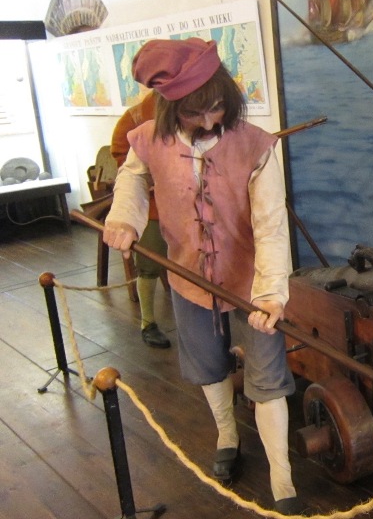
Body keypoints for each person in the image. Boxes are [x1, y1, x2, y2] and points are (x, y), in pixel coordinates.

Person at [103, 38, 303, 513]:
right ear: (172, 106)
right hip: (188, 280)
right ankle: (227, 436)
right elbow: (132, 179)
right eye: (196, 113)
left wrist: (271, 295)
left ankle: (282, 478)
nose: (211, 122)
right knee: (208, 367)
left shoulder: (256, 146)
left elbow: (272, 224)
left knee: (267, 378)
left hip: (252, 285)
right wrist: (125, 218)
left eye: (217, 107)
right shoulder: (148, 139)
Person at [110, 91, 171, 349]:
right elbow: (121, 153)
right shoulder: (136, 116)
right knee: (149, 259)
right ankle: (148, 322)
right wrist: (150, 177)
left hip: (188, 201)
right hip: (153, 204)